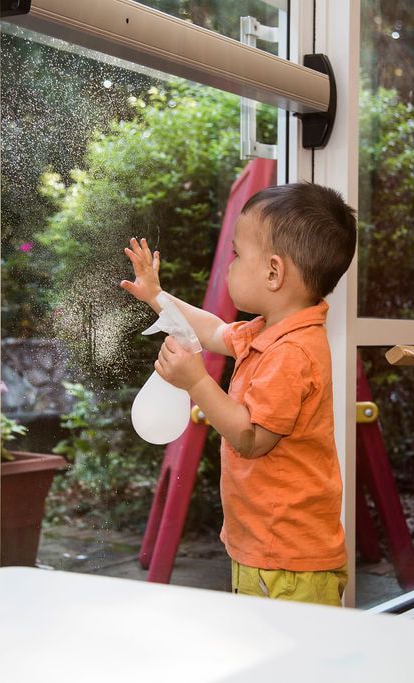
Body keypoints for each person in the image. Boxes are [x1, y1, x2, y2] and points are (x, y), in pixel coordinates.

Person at [120, 182, 358, 607]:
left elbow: (250, 438)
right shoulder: (271, 329)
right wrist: (157, 296)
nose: (229, 265)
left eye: (236, 255)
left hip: (287, 560)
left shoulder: (293, 353)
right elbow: (211, 330)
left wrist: (196, 382)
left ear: (273, 272)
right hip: (266, 547)